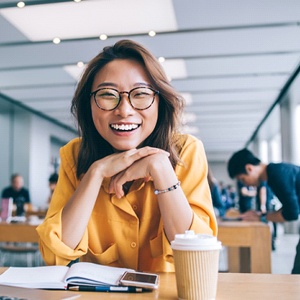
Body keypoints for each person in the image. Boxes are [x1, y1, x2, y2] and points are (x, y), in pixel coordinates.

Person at [37, 39, 217, 272]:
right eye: (108, 95)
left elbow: (198, 255)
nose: (124, 110)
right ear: (88, 104)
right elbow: (54, 256)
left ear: (160, 102)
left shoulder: (186, 151)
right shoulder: (74, 154)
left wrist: (162, 170)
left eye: (140, 94)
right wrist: (96, 173)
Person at [227, 148, 300, 274]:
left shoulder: (276, 174)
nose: (246, 184)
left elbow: (292, 213)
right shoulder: (275, 172)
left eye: (243, 179)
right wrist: (262, 215)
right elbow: (290, 207)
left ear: (249, 168)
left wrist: (262, 218)